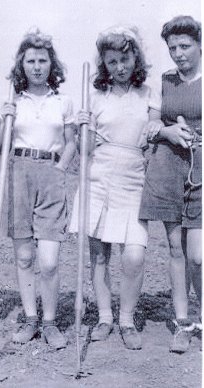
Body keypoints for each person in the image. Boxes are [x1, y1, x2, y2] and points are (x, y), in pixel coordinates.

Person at [69, 26, 160, 350]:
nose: (120, 67)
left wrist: (156, 125)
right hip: (98, 178)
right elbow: (86, 148)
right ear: (104, 64)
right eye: (112, 61)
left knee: (134, 254)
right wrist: (82, 129)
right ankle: (106, 317)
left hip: (134, 177)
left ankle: (127, 319)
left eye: (125, 59)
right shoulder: (94, 97)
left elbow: (155, 128)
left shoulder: (149, 93)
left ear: (135, 58)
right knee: (99, 255)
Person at [0, 29, 76, 350]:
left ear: (51, 64)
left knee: (49, 261)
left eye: (43, 60)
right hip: (18, 173)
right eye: (31, 60)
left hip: (51, 174)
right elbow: (1, 148)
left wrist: (59, 169)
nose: (37, 66)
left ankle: (50, 321)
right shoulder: (13, 101)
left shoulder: (64, 101)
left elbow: (72, 143)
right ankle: (31, 319)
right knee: (25, 256)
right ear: (22, 64)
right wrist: (5, 120)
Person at [139, 15, 201, 353]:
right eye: (172, 47)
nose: (178, 53)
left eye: (185, 46)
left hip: (202, 170)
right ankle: (182, 322)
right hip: (168, 166)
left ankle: (203, 317)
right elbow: (151, 122)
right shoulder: (163, 81)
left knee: (199, 254)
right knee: (176, 249)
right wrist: (167, 131)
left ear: (199, 45)